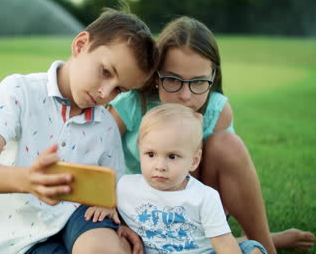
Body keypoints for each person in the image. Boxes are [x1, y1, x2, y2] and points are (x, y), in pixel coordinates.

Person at [107, 16, 316, 253]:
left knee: (224, 144)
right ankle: (246, 241)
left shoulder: (216, 109)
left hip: (195, 210)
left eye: (198, 82)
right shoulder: (132, 105)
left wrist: (191, 128)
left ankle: (265, 243)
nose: (185, 96)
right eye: (173, 80)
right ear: (156, 75)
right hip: (138, 213)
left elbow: (214, 172)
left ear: (213, 76)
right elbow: (98, 152)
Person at [0, 8, 158, 254]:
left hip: (82, 215)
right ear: (80, 45)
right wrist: (28, 180)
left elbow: (111, 187)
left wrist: (118, 216)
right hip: (22, 235)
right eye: (106, 72)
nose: (105, 93)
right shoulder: (18, 91)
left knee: (103, 248)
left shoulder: (106, 124)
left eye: (118, 89)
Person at [85, 103, 267, 254]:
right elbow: (106, 202)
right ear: (140, 150)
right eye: (150, 154)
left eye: (172, 156)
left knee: (252, 251)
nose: (160, 166)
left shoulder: (204, 197)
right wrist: (106, 207)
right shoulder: (125, 186)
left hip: (205, 252)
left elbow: (224, 245)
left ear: (194, 161)